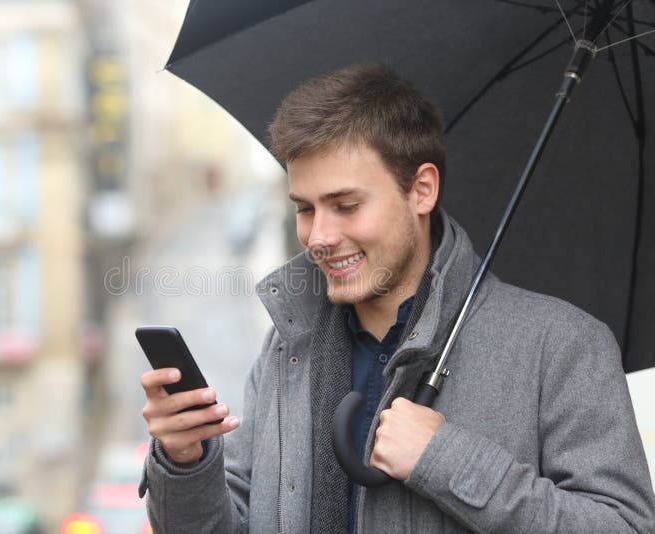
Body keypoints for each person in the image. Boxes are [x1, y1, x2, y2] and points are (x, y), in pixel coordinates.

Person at [138, 64, 655, 533]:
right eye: (305, 208)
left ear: (422, 190)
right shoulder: (287, 349)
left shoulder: (562, 347)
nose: (318, 235)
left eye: (345, 205)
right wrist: (185, 462)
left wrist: (445, 458)